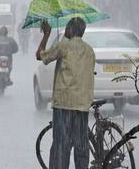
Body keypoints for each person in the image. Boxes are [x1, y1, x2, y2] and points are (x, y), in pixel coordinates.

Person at [36, 17, 95, 169]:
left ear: (69, 30)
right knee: (81, 145)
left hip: (64, 104)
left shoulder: (63, 46)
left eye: (67, 28)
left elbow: (40, 55)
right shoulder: (89, 50)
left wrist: (46, 34)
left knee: (61, 146)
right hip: (82, 104)